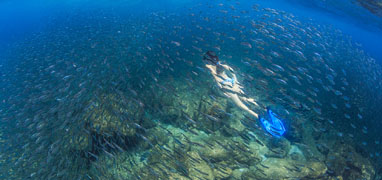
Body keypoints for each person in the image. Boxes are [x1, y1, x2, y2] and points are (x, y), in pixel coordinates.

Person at [203, 51, 260, 119]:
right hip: (232, 82)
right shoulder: (220, 62)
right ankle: (264, 109)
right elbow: (231, 70)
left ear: (207, 60)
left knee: (239, 104)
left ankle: (257, 116)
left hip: (226, 85)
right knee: (246, 99)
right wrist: (235, 80)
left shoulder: (208, 66)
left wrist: (222, 90)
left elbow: (216, 78)